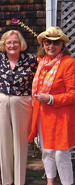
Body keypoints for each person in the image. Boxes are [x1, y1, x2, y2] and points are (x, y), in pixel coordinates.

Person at [28, 26, 75, 185]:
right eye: (48, 42)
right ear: (43, 44)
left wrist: (51, 99)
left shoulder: (69, 63)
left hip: (60, 115)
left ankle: (67, 183)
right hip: (42, 114)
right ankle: (50, 181)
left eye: (56, 43)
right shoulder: (41, 61)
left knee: (61, 153)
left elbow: (72, 94)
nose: (51, 46)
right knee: (46, 151)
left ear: (62, 45)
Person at [0, 30, 37, 185]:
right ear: (4, 44)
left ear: (21, 44)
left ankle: (19, 181)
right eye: (9, 42)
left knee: (20, 142)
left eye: (15, 42)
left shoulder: (31, 59)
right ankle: (7, 181)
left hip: (22, 102)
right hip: (1, 101)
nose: (12, 45)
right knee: (3, 142)